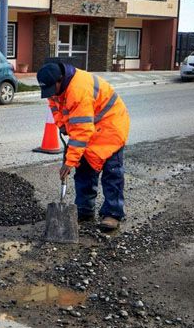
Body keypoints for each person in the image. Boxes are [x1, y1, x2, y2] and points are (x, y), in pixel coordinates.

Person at [37, 61, 130, 232]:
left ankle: (113, 213)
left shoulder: (78, 90)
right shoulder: (55, 87)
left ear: (60, 80)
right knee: (85, 171)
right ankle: (85, 210)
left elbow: (81, 132)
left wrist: (69, 161)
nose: (50, 94)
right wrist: (63, 126)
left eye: (52, 89)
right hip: (88, 126)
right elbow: (55, 106)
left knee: (112, 173)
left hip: (110, 127)